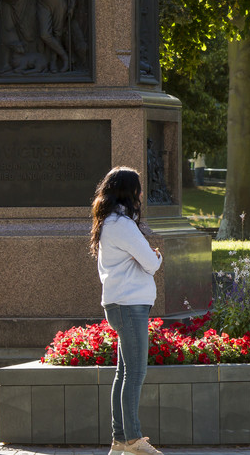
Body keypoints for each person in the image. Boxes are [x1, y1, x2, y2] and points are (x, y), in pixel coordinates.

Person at [93, 167, 163, 455]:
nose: (142, 194)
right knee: (135, 372)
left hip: (120, 303)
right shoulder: (122, 225)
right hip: (129, 305)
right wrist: (156, 255)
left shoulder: (110, 222)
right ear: (129, 192)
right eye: (138, 189)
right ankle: (133, 439)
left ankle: (120, 440)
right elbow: (151, 263)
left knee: (124, 373)